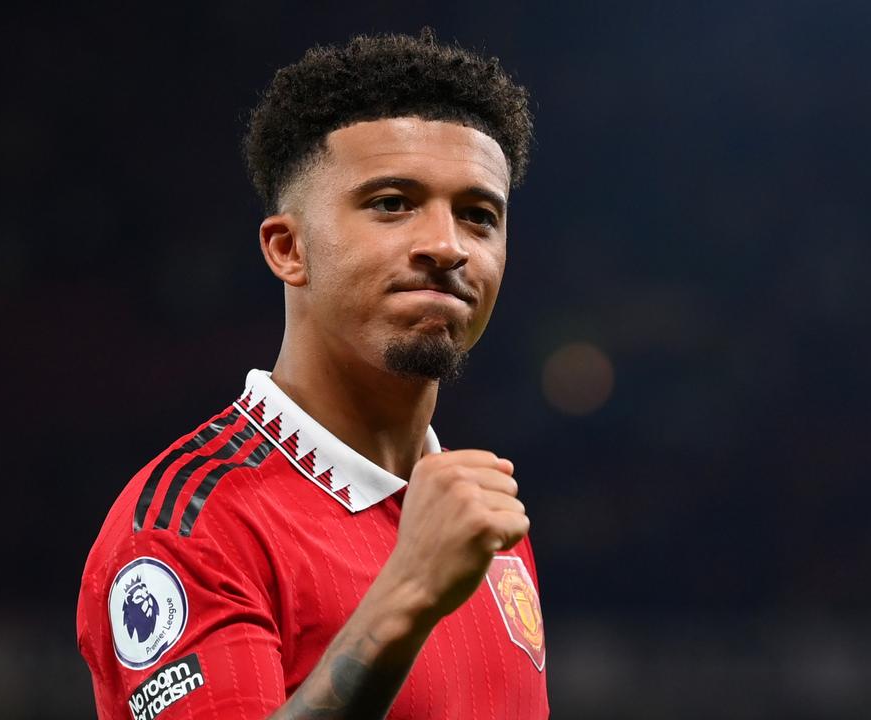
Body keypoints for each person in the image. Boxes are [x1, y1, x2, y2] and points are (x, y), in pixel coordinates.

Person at [77, 29, 547, 719]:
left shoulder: (481, 516)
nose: (446, 245)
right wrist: (407, 595)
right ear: (288, 248)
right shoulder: (188, 526)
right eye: (392, 203)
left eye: (479, 216)